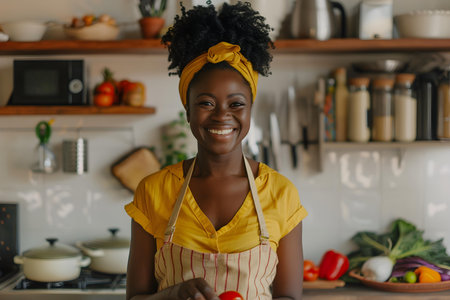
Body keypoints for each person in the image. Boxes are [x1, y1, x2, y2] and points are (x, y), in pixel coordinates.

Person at [125, 2, 308, 299]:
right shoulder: (153, 191)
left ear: (250, 111)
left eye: (236, 104)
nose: (222, 115)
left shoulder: (281, 194)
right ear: (187, 110)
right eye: (206, 103)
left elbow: (289, 296)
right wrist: (173, 294)